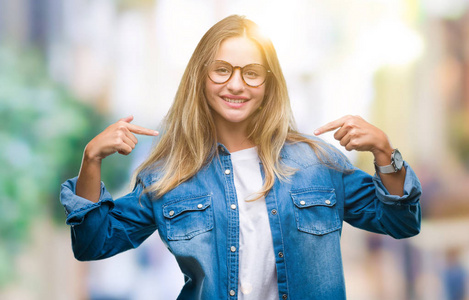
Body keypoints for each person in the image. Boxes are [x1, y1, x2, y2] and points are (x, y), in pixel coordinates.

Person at [60, 15, 422, 300]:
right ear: (201, 78)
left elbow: (402, 223)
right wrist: (91, 159)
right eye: (222, 69)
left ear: (268, 86)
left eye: (251, 73)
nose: (236, 84)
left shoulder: (318, 164)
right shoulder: (169, 175)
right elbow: (95, 243)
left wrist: (384, 152)